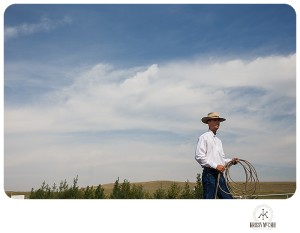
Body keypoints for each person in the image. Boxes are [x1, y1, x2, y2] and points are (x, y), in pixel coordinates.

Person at [195, 112, 239, 199]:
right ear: (208, 122)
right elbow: (199, 156)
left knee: (228, 199)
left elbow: (221, 160)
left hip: (219, 175)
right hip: (209, 175)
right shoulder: (204, 137)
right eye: (215, 120)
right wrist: (216, 166)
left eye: (218, 120)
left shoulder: (219, 141)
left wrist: (231, 161)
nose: (217, 122)